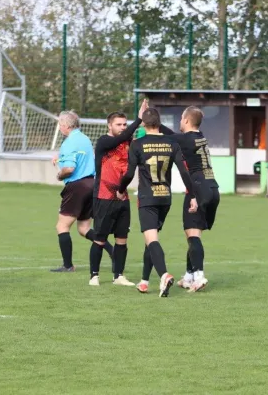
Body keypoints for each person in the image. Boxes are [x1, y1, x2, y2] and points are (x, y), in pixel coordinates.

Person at [117, 108, 197, 297]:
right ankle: (144, 281)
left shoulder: (137, 144)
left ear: (143, 124)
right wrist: (192, 194)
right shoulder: (171, 142)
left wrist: (120, 190)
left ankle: (164, 275)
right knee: (149, 240)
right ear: (159, 123)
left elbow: (129, 173)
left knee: (152, 239)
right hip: (165, 198)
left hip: (147, 197)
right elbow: (184, 171)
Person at [157, 106, 220, 292]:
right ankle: (189, 276)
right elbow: (174, 135)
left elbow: (165, 134)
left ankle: (199, 276)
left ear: (185, 120)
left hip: (198, 189)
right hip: (212, 188)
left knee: (193, 235)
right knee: (192, 234)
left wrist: (150, 120)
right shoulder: (199, 137)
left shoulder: (185, 139)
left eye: (181, 119)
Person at [89, 99, 148, 287]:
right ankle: (94, 275)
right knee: (99, 238)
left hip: (123, 197)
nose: (122, 127)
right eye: (119, 124)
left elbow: (134, 141)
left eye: (124, 124)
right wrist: (137, 120)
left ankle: (118, 276)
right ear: (109, 125)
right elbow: (120, 139)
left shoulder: (128, 142)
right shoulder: (104, 141)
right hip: (104, 197)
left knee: (122, 239)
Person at [51, 110, 114, 273]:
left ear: (65, 126)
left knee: (62, 226)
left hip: (77, 186)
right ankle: (113, 252)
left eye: (60, 124)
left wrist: (59, 174)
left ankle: (68, 265)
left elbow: (70, 168)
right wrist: (59, 158)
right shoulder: (84, 139)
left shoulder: (69, 142)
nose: (60, 127)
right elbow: (83, 157)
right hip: (91, 184)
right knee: (84, 228)